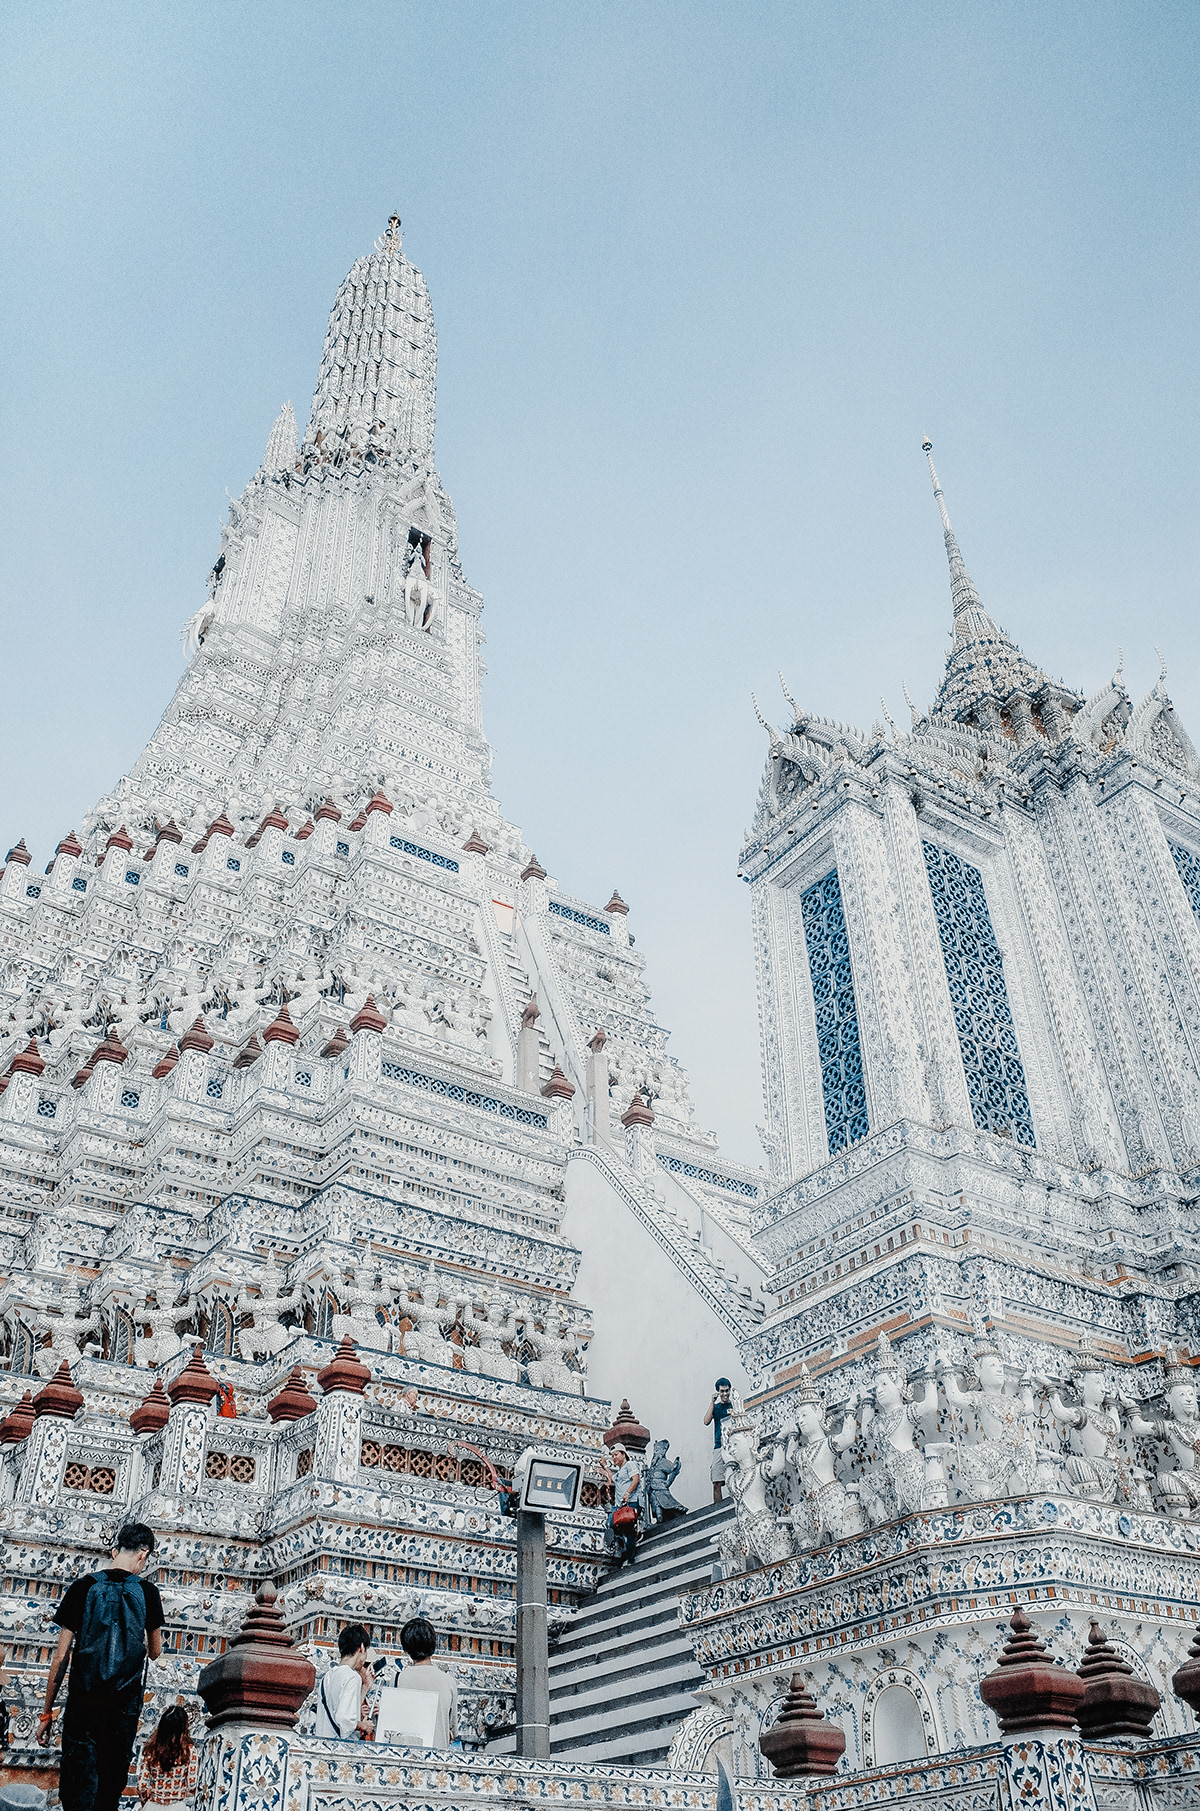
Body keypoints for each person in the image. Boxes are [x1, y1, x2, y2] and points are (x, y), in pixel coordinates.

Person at [38, 1522, 164, 1811]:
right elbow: (155, 1652)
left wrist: (47, 1713)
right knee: (107, 1793)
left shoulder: (83, 1586)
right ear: (144, 1554)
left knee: (76, 1788)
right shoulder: (148, 1593)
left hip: (83, 1704)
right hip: (123, 1708)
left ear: (114, 1550)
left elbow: (60, 1658)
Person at [390, 1617, 456, 1748]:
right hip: (437, 1758)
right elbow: (452, 1729)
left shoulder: (397, 1679)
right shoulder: (449, 1682)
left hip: (405, 1757)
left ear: (406, 1649)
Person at [313, 1623, 375, 1739]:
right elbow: (344, 1718)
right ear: (361, 1647)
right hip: (340, 1748)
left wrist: (365, 1687)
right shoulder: (352, 1676)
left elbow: (345, 1708)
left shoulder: (327, 1676)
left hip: (323, 1743)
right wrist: (363, 1726)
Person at [136, 1707, 197, 1810]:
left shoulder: (152, 1750)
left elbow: (142, 1786)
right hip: (177, 1806)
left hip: (153, 1805)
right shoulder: (190, 1751)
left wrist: (145, 1802)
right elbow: (192, 1785)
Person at [607, 1442, 642, 1565]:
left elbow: (636, 1479)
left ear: (623, 1454)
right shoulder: (620, 1472)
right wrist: (604, 1467)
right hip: (619, 1506)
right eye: (612, 1456)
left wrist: (627, 1493)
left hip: (631, 1502)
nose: (614, 1458)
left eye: (616, 1454)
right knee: (612, 1523)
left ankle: (630, 1558)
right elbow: (612, 1477)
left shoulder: (630, 1465)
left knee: (627, 1529)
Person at [704, 1378, 733, 1502]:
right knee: (716, 1481)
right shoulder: (716, 1407)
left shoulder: (734, 1405)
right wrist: (712, 1402)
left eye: (727, 1391)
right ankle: (718, 1510)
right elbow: (706, 1421)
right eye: (722, 1391)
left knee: (735, 1479)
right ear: (718, 1392)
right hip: (719, 1446)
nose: (725, 1394)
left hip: (732, 1445)